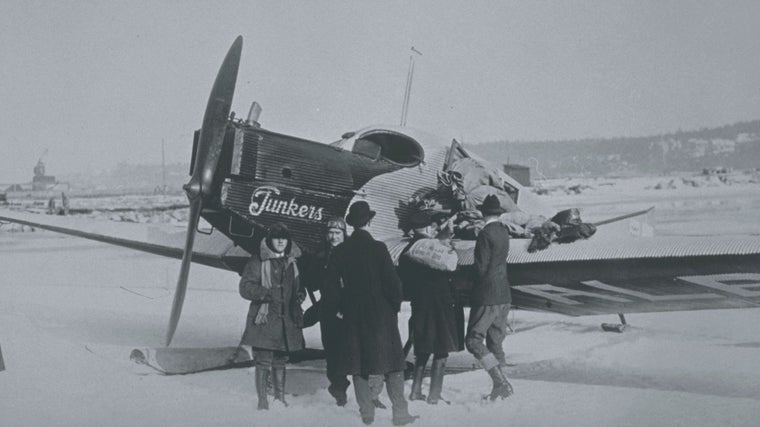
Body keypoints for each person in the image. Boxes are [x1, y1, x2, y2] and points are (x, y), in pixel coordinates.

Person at [324, 201, 418, 426]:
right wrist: (392, 308)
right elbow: (393, 285)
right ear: (369, 221)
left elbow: (331, 289)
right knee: (394, 365)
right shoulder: (379, 248)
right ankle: (400, 414)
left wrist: (339, 310)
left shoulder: (339, 251)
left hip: (353, 316)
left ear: (351, 225)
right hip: (382, 315)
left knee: (359, 365)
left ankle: (367, 414)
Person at [301, 217, 387, 408]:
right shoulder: (321, 256)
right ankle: (339, 391)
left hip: (354, 310)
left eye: (337, 233)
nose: (333, 237)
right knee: (333, 352)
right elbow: (311, 282)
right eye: (330, 233)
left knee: (363, 351)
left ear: (344, 234)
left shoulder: (354, 254)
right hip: (330, 311)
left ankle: (371, 395)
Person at [397, 211, 463, 404]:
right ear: (427, 227)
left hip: (420, 306)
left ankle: (415, 391)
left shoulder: (408, 250)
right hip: (440, 306)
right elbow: (451, 268)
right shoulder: (434, 249)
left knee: (423, 349)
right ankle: (434, 394)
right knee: (441, 351)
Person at [238, 223, 306, 410]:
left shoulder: (292, 262)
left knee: (280, 361)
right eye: (277, 238)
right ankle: (262, 401)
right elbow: (244, 287)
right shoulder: (257, 260)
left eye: (284, 238)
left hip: (286, 320)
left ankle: (280, 397)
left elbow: (298, 286)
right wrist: (265, 293)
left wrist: (299, 295)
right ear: (270, 240)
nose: (281, 242)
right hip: (265, 319)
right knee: (263, 361)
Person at [464, 194, 514, 401]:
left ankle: (500, 383)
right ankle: (503, 389)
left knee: (473, 341)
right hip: (504, 293)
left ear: (483, 214)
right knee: (495, 342)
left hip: (487, 295)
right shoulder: (503, 231)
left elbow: (481, 267)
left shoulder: (485, 234)